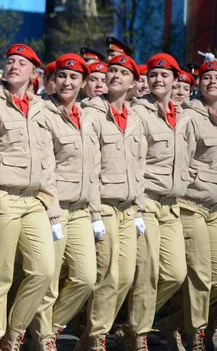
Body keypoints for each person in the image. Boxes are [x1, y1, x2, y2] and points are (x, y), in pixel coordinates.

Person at [0, 43, 59, 350]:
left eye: (21, 64)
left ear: (35, 73)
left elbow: (47, 161)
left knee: (43, 271)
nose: (13, 66)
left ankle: (16, 333)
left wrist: (52, 206)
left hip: (35, 201)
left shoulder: (41, 107)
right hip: (2, 197)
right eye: (10, 61)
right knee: (0, 278)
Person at [29, 54, 100, 350]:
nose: (67, 82)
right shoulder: (44, 113)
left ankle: (52, 327)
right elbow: (44, 168)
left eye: (74, 78)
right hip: (53, 210)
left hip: (82, 210)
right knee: (49, 281)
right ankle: (42, 338)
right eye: (62, 76)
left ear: (83, 83)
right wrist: (53, 211)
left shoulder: (90, 116)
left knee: (85, 278)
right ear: (53, 80)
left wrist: (95, 213)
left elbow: (93, 168)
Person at [77, 55, 146, 351]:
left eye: (123, 72)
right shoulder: (92, 112)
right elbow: (88, 165)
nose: (115, 76)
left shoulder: (135, 116)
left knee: (127, 277)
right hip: (103, 205)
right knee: (108, 276)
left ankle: (92, 334)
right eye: (112, 71)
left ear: (133, 81)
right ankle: (96, 338)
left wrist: (140, 205)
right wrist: (93, 210)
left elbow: (140, 164)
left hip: (129, 208)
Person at [158, 60, 217, 351]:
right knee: (200, 276)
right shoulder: (189, 115)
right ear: (199, 84)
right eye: (206, 77)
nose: (212, 82)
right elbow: (177, 159)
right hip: (192, 204)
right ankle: (195, 334)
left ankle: (175, 322)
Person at [127, 53, 189, 349]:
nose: (158, 79)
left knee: (176, 273)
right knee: (148, 272)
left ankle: (134, 321)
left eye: (165, 75)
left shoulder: (184, 114)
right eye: (153, 75)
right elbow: (134, 161)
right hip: (148, 202)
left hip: (172, 204)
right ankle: (137, 335)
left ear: (176, 80)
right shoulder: (139, 112)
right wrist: (137, 205)